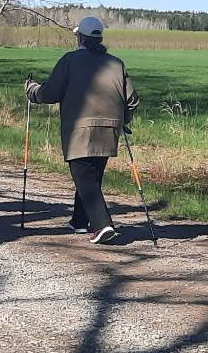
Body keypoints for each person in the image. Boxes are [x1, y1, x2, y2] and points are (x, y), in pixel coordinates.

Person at [26, 16, 140, 243]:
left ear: (80, 37)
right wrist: (123, 120)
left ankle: (102, 225)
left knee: (85, 178)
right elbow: (132, 100)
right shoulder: (116, 64)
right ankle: (79, 221)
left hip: (80, 129)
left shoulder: (70, 60)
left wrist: (32, 91)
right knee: (91, 176)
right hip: (110, 130)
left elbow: (50, 93)